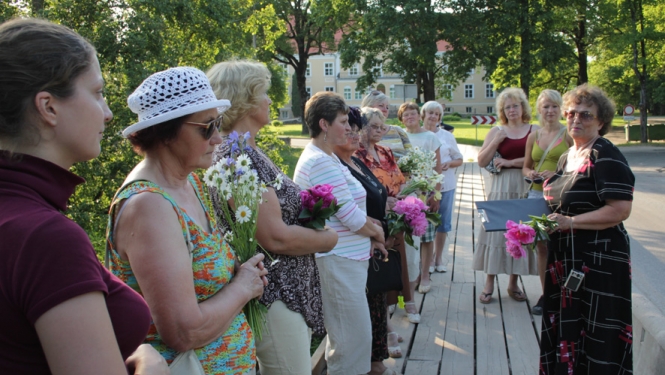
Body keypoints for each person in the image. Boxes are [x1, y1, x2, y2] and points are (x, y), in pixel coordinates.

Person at [0, 18, 167, 374]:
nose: (107, 113)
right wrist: (152, 366)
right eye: (97, 92)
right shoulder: (44, 238)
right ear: (48, 107)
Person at [107, 67, 268, 375]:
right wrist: (244, 286)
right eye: (207, 127)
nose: (218, 138)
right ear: (166, 132)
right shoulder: (149, 206)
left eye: (218, 124)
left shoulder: (188, 183)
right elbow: (183, 332)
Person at [205, 60, 338, 375]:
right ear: (246, 100)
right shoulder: (237, 159)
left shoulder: (247, 152)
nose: (270, 100)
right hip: (276, 296)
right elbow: (273, 236)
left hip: (282, 293)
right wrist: (329, 239)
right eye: (263, 93)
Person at [540, 84, 634, 374]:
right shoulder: (569, 156)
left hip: (599, 263)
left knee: (597, 335)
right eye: (571, 114)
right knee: (567, 330)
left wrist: (572, 222)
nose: (575, 120)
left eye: (585, 115)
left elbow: (621, 210)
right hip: (567, 259)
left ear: (601, 121)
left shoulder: (605, 155)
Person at [293, 91, 385, 375]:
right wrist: (377, 234)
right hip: (338, 262)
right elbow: (350, 217)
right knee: (350, 345)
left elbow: (347, 209)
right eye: (343, 121)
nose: (349, 128)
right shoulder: (320, 162)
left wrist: (370, 228)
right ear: (324, 124)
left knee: (353, 340)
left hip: (346, 261)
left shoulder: (327, 158)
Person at [333, 107, 398, 375]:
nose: (355, 133)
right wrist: (375, 230)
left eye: (357, 128)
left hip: (372, 244)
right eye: (349, 126)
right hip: (359, 245)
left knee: (376, 309)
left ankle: (376, 363)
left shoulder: (355, 162)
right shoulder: (336, 164)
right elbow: (348, 210)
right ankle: (373, 365)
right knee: (364, 317)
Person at [472, 87, 539, 304]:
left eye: (515, 105)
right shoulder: (497, 130)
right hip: (500, 185)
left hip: (525, 185)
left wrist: (510, 162)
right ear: (503, 110)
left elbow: (537, 159)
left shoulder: (534, 130)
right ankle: (489, 282)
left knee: (521, 234)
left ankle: (513, 283)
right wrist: (495, 141)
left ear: (523, 107)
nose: (511, 110)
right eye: (507, 107)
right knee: (495, 231)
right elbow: (481, 161)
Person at [356, 107, 420, 329]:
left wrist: (402, 199)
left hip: (395, 218)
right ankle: (387, 328)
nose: (380, 131)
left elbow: (400, 180)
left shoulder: (385, 151)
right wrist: (384, 201)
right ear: (361, 128)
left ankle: (401, 308)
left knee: (397, 266)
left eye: (382, 127)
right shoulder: (355, 156)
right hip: (373, 221)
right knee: (378, 274)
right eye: (374, 126)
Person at [522, 89, 573, 315]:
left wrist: (557, 175)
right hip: (536, 195)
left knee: (561, 246)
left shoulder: (568, 134)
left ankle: (566, 293)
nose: (550, 111)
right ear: (539, 110)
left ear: (560, 109)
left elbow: (578, 166)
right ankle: (546, 294)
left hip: (561, 196)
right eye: (546, 107)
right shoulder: (534, 135)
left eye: (554, 106)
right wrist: (531, 173)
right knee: (541, 247)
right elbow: (526, 165)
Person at [398, 102, 443, 296]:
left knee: (426, 234)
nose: (410, 117)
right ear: (401, 119)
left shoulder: (430, 137)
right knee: (407, 234)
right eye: (406, 115)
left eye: (413, 114)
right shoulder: (398, 136)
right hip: (405, 192)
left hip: (425, 191)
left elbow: (438, 168)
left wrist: (436, 193)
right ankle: (409, 275)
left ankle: (425, 275)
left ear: (419, 115)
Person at [421, 101, 463, 274]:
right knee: (425, 223)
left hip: (445, 185)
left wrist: (449, 163)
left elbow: (459, 159)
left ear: (439, 117)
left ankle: (438, 258)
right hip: (422, 187)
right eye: (429, 112)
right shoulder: (417, 134)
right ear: (423, 114)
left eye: (436, 114)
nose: (433, 116)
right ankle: (427, 259)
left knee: (443, 223)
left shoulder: (446, 136)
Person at [361, 90, 412, 160]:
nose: (385, 110)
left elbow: (412, 156)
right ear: (368, 107)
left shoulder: (398, 130)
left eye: (387, 107)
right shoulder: (361, 133)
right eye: (381, 106)